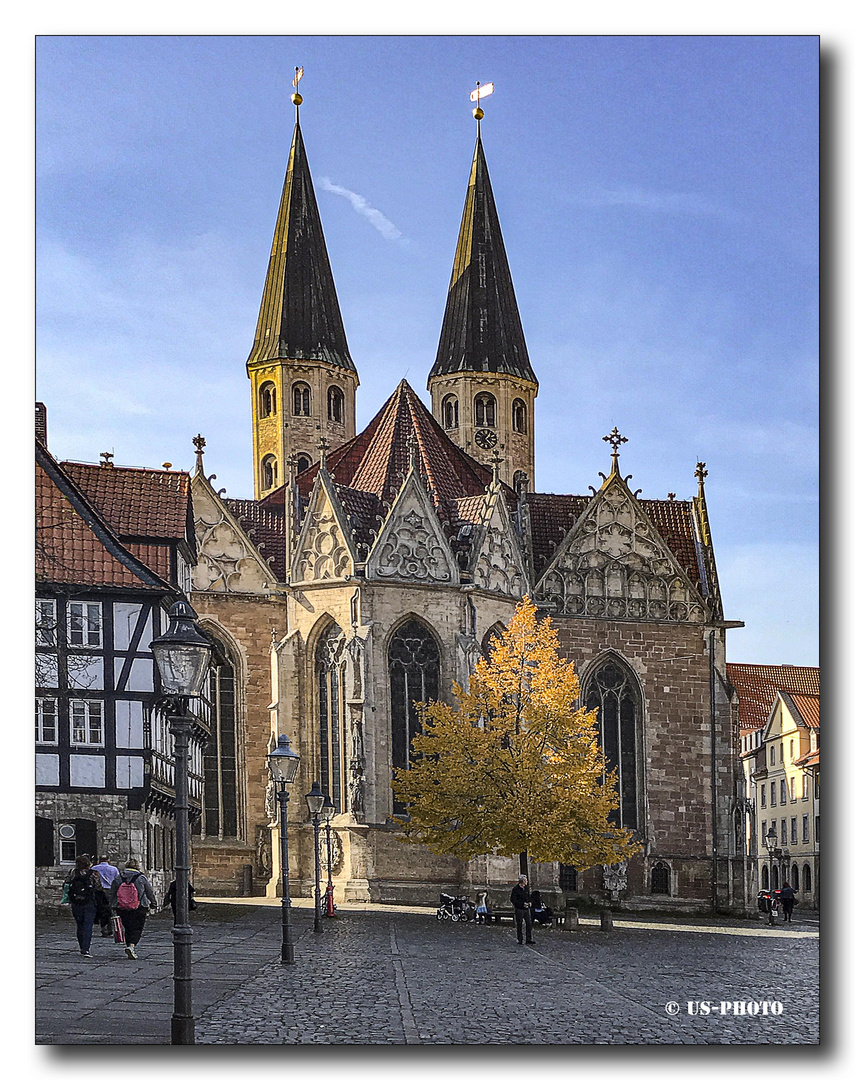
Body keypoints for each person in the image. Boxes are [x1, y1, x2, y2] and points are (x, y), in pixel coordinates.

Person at [110, 858, 157, 960]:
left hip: (122, 907)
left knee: (127, 927)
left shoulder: (119, 877)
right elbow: (149, 891)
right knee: (137, 928)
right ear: (137, 866)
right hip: (139, 906)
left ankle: (128, 945)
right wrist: (153, 903)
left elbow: (113, 892)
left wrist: (112, 905)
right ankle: (131, 946)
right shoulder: (141, 878)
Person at [65, 855, 102, 957]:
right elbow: (98, 887)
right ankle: (86, 949)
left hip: (76, 901)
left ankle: (82, 946)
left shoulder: (73, 872)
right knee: (88, 925)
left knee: (79, 925)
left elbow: (66, 884)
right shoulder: (93, 874)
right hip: (89, 902)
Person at [91, 856, 120, 937]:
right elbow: (117, 880)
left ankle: (104, 928)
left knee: (101, 910)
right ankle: (111, 928)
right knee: (110, 909)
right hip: (110, 890)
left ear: (99, 860)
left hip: (98, 890)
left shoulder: (94, 868)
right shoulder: (114, 869)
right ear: (108, 860)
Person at [510, 874, 535, 945]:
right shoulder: (516, 889)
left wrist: (530, 902)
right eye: (525, 880)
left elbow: (529, 897)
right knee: (519, 924)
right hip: (519, 909)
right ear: (522, 881)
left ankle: (528, 938)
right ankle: (520, 939)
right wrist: (521, 904)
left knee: (529, 923)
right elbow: (513, 900)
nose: (526, 881)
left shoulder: (526, 889)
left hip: (526, 909)